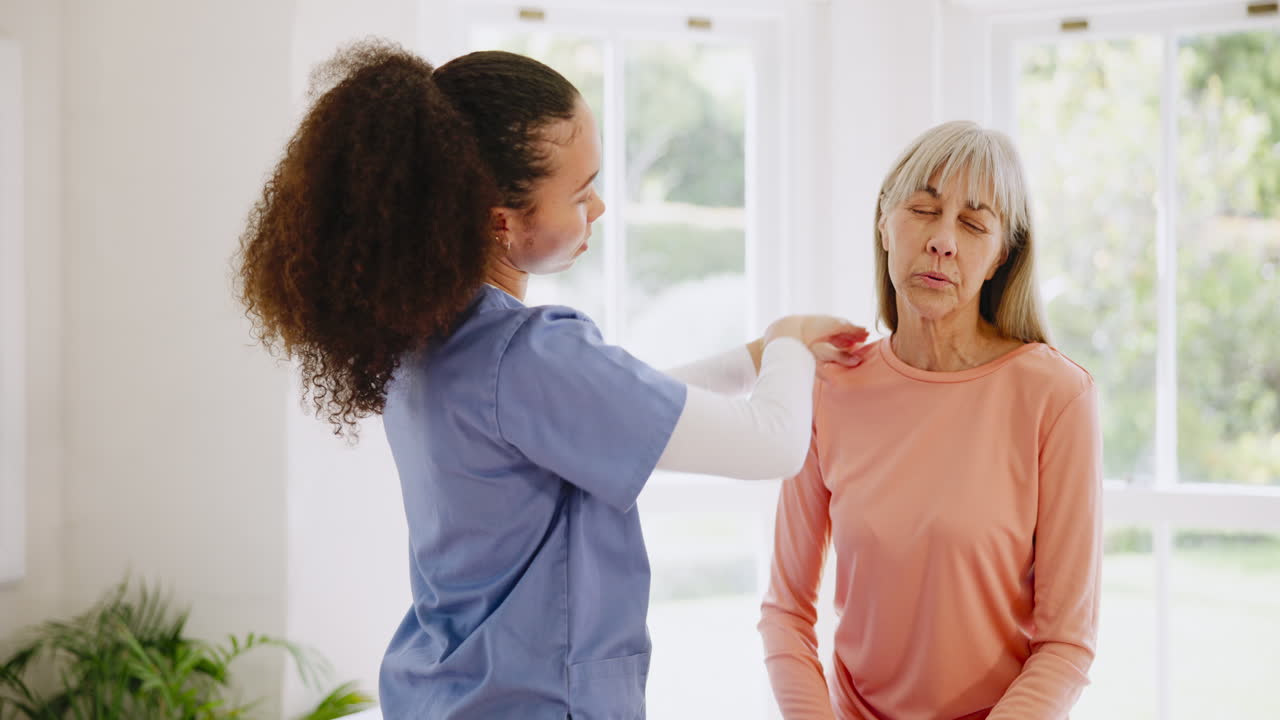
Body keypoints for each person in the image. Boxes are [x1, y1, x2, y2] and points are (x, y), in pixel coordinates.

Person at [235, 41, 867, 720]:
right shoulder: (528, 354)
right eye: (580, 191)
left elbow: (620, 410)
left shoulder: (428, 340)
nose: (598, 208)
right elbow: (769, 445)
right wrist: (794, 342)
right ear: (501, 222)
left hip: (444, 696)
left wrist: (755, 356)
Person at [758, 120, 1102, 720]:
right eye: (923, 209)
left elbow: (1065, 644)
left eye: (973, 225)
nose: (943, 240)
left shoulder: (1057, 396)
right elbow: (786, 613)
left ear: (1000, 257)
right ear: (885, 225)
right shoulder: (830, 386)